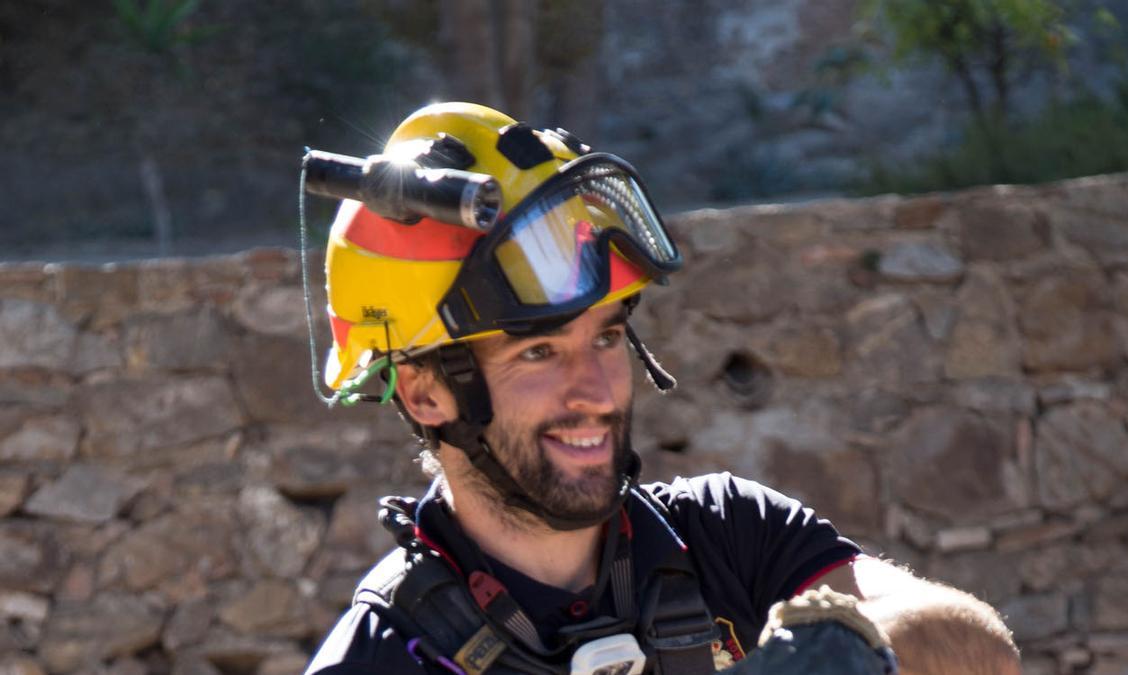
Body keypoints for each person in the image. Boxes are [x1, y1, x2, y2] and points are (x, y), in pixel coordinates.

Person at [301, 102, 1017, 674]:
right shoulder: (379, 655)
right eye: (540, 350)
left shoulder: (722, 535)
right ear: (426, 394)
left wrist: (847, 648)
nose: (596, 391)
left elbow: (981, 651)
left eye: (607, 337)